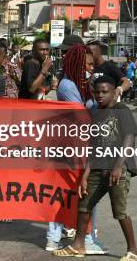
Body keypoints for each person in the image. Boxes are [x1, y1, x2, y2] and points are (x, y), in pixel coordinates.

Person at [54, 75, 137, 261]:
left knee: (120, 211)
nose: (100, 95)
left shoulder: (121, 110)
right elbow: (93, 147)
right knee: (84, 205)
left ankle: (133, 250)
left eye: (105, 92)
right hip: (97, 169)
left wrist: (118, 166)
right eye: (97, 92)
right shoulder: (95, 114)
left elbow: (129, 138)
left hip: (118, 169)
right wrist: (85, 175)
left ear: (113, 92)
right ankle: (78, 245)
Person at [50, 44, 107, 255]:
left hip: (83, 145)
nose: (91, 69)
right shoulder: (67, 86)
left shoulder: (80, 84)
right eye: (89, 64)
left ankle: (86, 236)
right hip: (72, 146)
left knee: (85, 192)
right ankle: (62, 237)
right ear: (77, 64)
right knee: (70, 192)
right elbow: (81, 116)